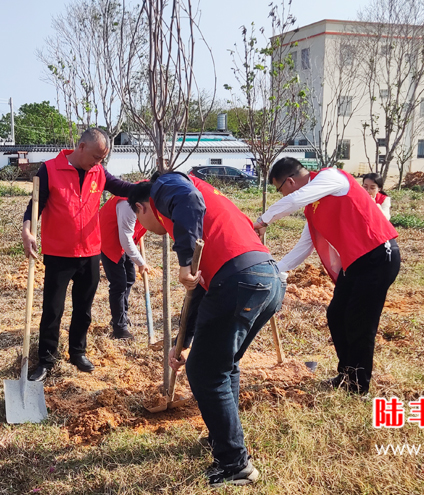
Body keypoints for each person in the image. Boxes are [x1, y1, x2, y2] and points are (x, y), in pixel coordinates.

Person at [128, 173, 285, 488]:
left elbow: (186, 202)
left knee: (205, 371)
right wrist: (181, 343)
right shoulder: (209, 201)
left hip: (240, 280)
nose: (147, 227)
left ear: (144, 206)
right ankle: (223, 439)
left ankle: (234, 463)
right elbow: (200, 290)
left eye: (139, 217)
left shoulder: (169, 190)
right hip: (266, 277)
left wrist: (184, 261)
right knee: (223, 365)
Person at [252, 158, 400, 395]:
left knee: (359, 323)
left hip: (378, 256)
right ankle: (346, 375)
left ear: (290, 181)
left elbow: (294, 199)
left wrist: (263, 220)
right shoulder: (313, 207)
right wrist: (277, 269)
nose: (283, 195)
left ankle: (358, 387)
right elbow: (305, 245)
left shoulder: (331, 177)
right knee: (337, 315)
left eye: (280, 189)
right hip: (355, 263)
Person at [23, 128, 136, 381]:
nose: (99, 162)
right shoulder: (50, 170)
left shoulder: (99, 172)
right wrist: (27, 231)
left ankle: (77, 352)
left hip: (90, 252)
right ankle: (46, 360)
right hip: (59, 253)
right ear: (81, 147)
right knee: (53, 309)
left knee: (83, 309)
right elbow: (35, 206)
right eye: (96, 156)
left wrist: (152, 188)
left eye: (102, 158)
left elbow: (123, 187)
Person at [99, 193, 152, 340]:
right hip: (108, 237)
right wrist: (141, 263)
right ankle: (119, 328)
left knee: (129, 278)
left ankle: (121, 315)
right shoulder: (128, 204)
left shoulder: (151, 197)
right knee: (119, 284)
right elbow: (125, 239)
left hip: (124, 236)